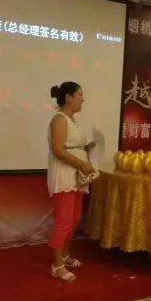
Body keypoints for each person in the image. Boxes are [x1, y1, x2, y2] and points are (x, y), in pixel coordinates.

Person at [47, 82, 95, 282]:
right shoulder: (59, 120)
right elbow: (58, 150)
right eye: (80, 95)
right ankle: (56, 265)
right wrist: (81, 164)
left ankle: (65, 255)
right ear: (68, 97)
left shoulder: (72, 120)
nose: (83, 99)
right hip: (64, 177)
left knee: (73, 220)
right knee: (63, 222)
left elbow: (72, 146)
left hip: (76, 176)